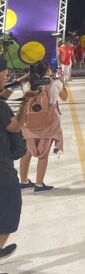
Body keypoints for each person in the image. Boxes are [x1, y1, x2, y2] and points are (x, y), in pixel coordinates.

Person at [0, 67, 33, 262]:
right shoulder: (1, 108)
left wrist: (20, 81)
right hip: (2, 171)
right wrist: (25, 104)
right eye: (3, 77)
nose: (5, 81)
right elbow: (15, 127)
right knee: (10, 209)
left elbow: (3, 94)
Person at [19, 62, 67, 192]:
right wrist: (62, 81)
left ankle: (23, 182)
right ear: (47, 72)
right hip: (48, 124)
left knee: (27, 152)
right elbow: (65, 97)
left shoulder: (27, 85)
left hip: (29, 123)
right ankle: (39, 184)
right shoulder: (55, 84)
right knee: (43, 153)